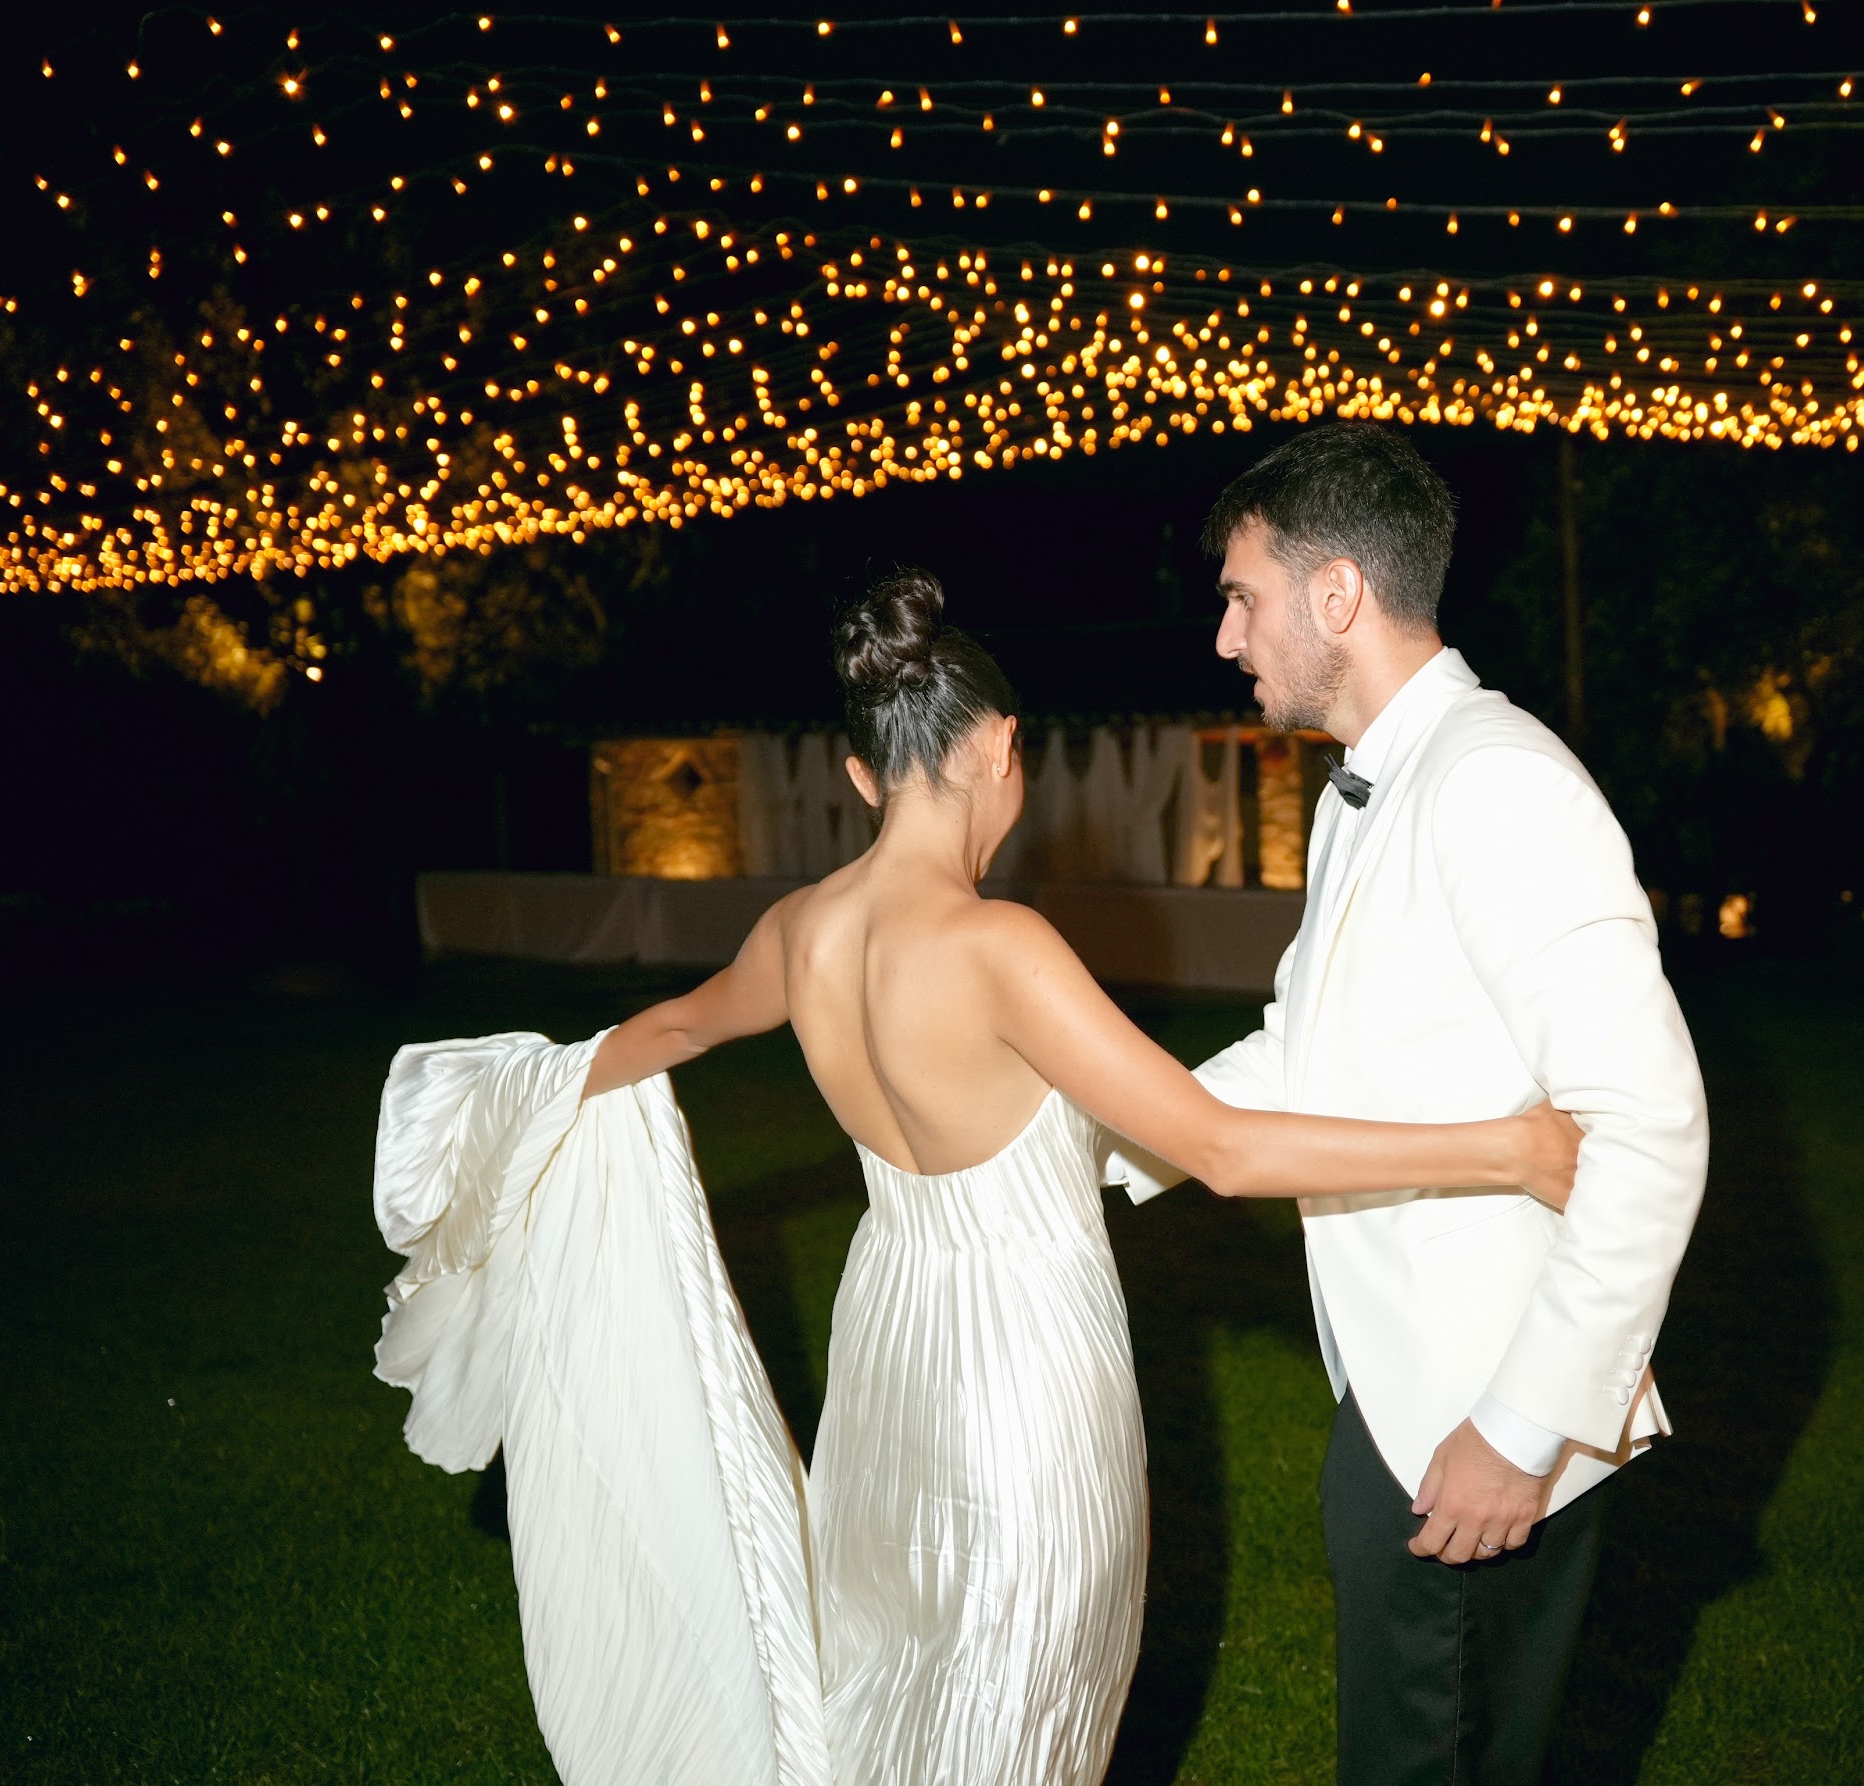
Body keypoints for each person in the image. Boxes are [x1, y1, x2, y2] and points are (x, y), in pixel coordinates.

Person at [578, 569, 1588, 1786]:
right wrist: (1503, 1147)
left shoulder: (798, 931)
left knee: (893, 1677)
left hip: (889, 1347)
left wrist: (531, 1102)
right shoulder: (999, 948)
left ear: (858, 775)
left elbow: (663, 1037)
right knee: (1017, 1700)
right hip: (1018, 1373)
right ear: (1004, 744)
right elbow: (1219, 1147)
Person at [1108, 423, 1710, 1783]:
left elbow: (1651, 1126)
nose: (1224, 634)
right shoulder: (1360, 798)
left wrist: (1523, 1427)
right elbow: (1303, 1052)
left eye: (1240, 594)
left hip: (1486, 1419)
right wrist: (1082, 1139)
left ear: (1336, 597)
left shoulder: (1499, 784)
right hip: (1395, 1396)